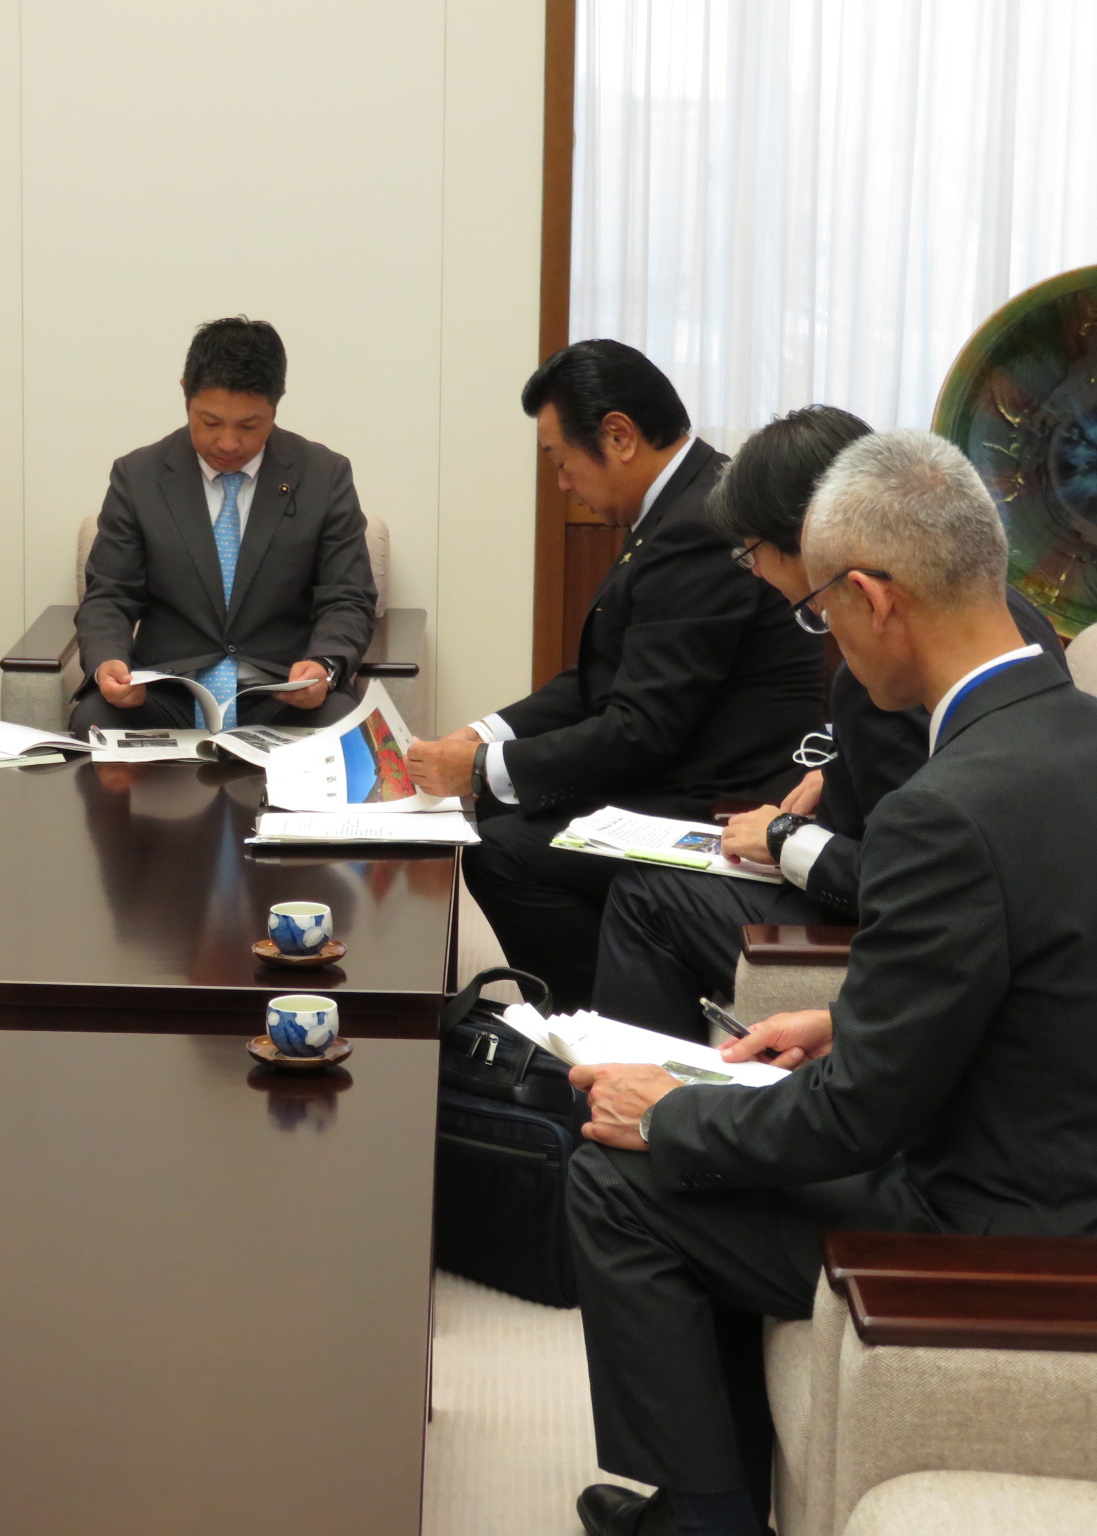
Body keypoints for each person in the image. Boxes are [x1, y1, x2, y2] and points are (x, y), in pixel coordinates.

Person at [564, 429, 1097, 1536]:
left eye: (816, 612)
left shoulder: (941, 808)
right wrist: (846, 1011)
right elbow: (1051, 960)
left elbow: (857, 1121)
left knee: (620, 1178)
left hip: (995, 1221)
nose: (823, 638)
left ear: (871, 597)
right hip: (1055, 1158)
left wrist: (672, 1116)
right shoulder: (1067, 734)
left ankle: (702, 1519)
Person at [594, 406, 1065, 1039]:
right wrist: (838, 769)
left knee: (644, 898)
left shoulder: (882, 677)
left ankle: (631, 1115)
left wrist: (789, 839)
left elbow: (913, 873)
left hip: (876, 936)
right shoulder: (1003, 615)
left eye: (752, 551)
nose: (753, 571)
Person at [407, 340, 826, 1010]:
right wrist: (482, 737)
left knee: (500, 850)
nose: (563, 482)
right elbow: (599, 679)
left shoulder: (698, 525)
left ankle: (602, 1023)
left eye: (560, 460)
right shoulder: (679, 505)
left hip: (721, 801)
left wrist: (485, 768)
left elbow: (639, 726)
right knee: (502, 815)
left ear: (620, 436)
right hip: (683, 768)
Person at [69, 317, 377, 735]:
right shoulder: (138, 477)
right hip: (166, 694)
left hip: (280, 694)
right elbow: (110, 596)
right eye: (210, 422)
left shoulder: (324, 476)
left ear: (278, 401)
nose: (228, 443)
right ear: (184, 393)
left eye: (249, 426)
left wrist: (325, 664)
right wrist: (108, 661)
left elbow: (347, 597)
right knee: (94, 721)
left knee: (346, 727)